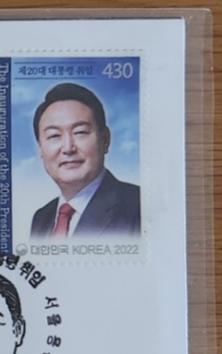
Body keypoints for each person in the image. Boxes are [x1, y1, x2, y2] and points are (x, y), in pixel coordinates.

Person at [29, 82, 141, 238]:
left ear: (105, 140)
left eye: (80, 132)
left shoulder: (140, 206)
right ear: (41, 149)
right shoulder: (41, 218)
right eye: (54, 135)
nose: (68, 148)